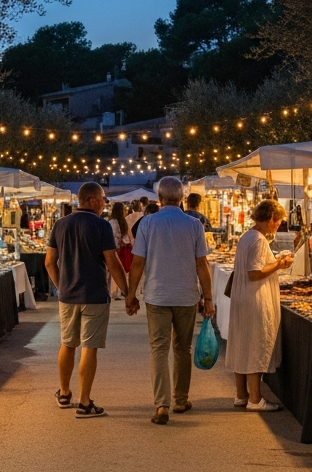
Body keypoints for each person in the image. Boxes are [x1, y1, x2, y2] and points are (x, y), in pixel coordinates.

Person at [126, 177, 214, 424]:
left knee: (159, 349)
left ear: (159, 199)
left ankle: (161, 405)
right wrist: (208, 298)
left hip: (157, 295)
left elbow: (138, 263)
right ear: (182, 198)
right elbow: (202, 264)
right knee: (182, 349)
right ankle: (180, 399)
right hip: (186, 296)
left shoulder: (148, 224)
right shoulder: (194, 224)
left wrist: (131, 294)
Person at [46, 182, 128, 417]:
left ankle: (63, 393)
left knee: (68, 343)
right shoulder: (101, 226)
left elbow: (50, 261)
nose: (104, 203)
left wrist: (61, 286)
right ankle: (84, 402)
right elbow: (112, 263)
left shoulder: (60, 225)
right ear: (92, 200)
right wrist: (128, 292)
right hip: (94, 294)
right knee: (89, 347)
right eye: (102, 198)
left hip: (68, 296)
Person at [227, 200, 293, 411]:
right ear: (271, 218)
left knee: (242, 344)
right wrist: (280, 264)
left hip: (243, 297)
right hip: (253, 298)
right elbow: (254, 273)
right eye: (278, 221)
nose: (278, 226)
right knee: (254, 344)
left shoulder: (247, 236)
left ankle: (241, 394)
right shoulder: (258, 240)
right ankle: (255, 399)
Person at [108, 202, 134, 272]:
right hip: (126, 248)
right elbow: (130, 237)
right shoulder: (124, 221)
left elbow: (114, 238)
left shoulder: (111, 222)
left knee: (116, 273)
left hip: (117, 251)